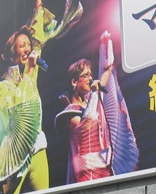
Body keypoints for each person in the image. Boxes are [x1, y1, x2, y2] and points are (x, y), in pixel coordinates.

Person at [0, 0, 87, 194]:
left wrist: (38, 1)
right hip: (14, 154)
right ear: (12, 53)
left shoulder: (31, 71)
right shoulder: (1, 87)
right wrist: (30, 70)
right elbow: (16, 111)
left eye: (28, 46)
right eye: (22, 46)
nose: (28, 48)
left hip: (37, 148)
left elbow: (38, 36)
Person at [55, 31, 139, 183]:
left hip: (105, 171)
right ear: (74, 82)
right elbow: (86, 123)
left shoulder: (91, 99)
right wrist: (94, 93)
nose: (90, 78)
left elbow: (105, 74)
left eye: (90, 74)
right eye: (86, 75)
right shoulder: (69, 113)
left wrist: (106, 46)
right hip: (86, 176)